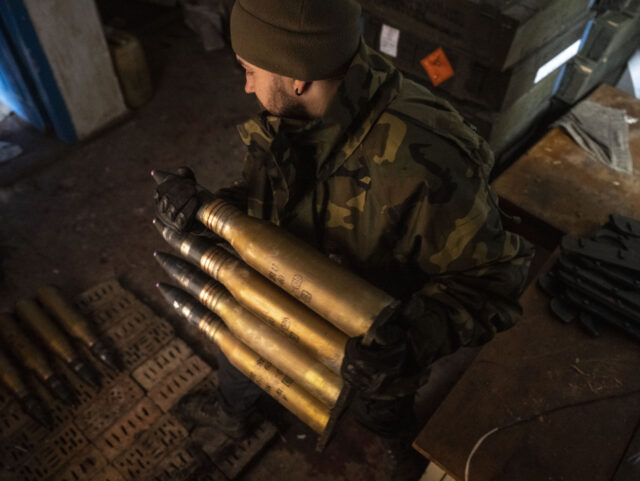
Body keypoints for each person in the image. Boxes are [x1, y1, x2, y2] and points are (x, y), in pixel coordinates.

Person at [154, 0, 534, 478]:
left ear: (297, 77)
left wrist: (411, 342)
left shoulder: (425, 163)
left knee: (380, 407)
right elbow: (273, 197)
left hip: (367, 343)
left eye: (249, 70)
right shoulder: (307, 101)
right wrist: (206, 210)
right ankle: (234, 415)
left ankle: (399, 448)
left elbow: (496, 281)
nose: (246, 85)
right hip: (267, 298)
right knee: (239, 361)